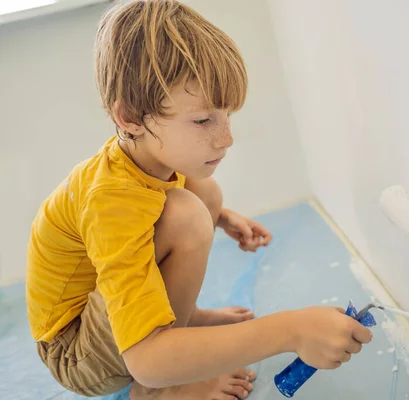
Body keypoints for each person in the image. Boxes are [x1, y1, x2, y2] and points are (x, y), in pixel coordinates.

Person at [25, 0, 372, 399]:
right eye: (204, 120)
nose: (226, 138)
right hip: (75, 357)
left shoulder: (141, 158)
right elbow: (145, 360)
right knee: (187, 213)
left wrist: (221, 217)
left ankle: (177, 326)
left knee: (201, 193)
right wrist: (291, 330)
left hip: (94, 323)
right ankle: (159, 391)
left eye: (227, 115)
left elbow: (155, 208)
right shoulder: (111, 199)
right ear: (129, 118)